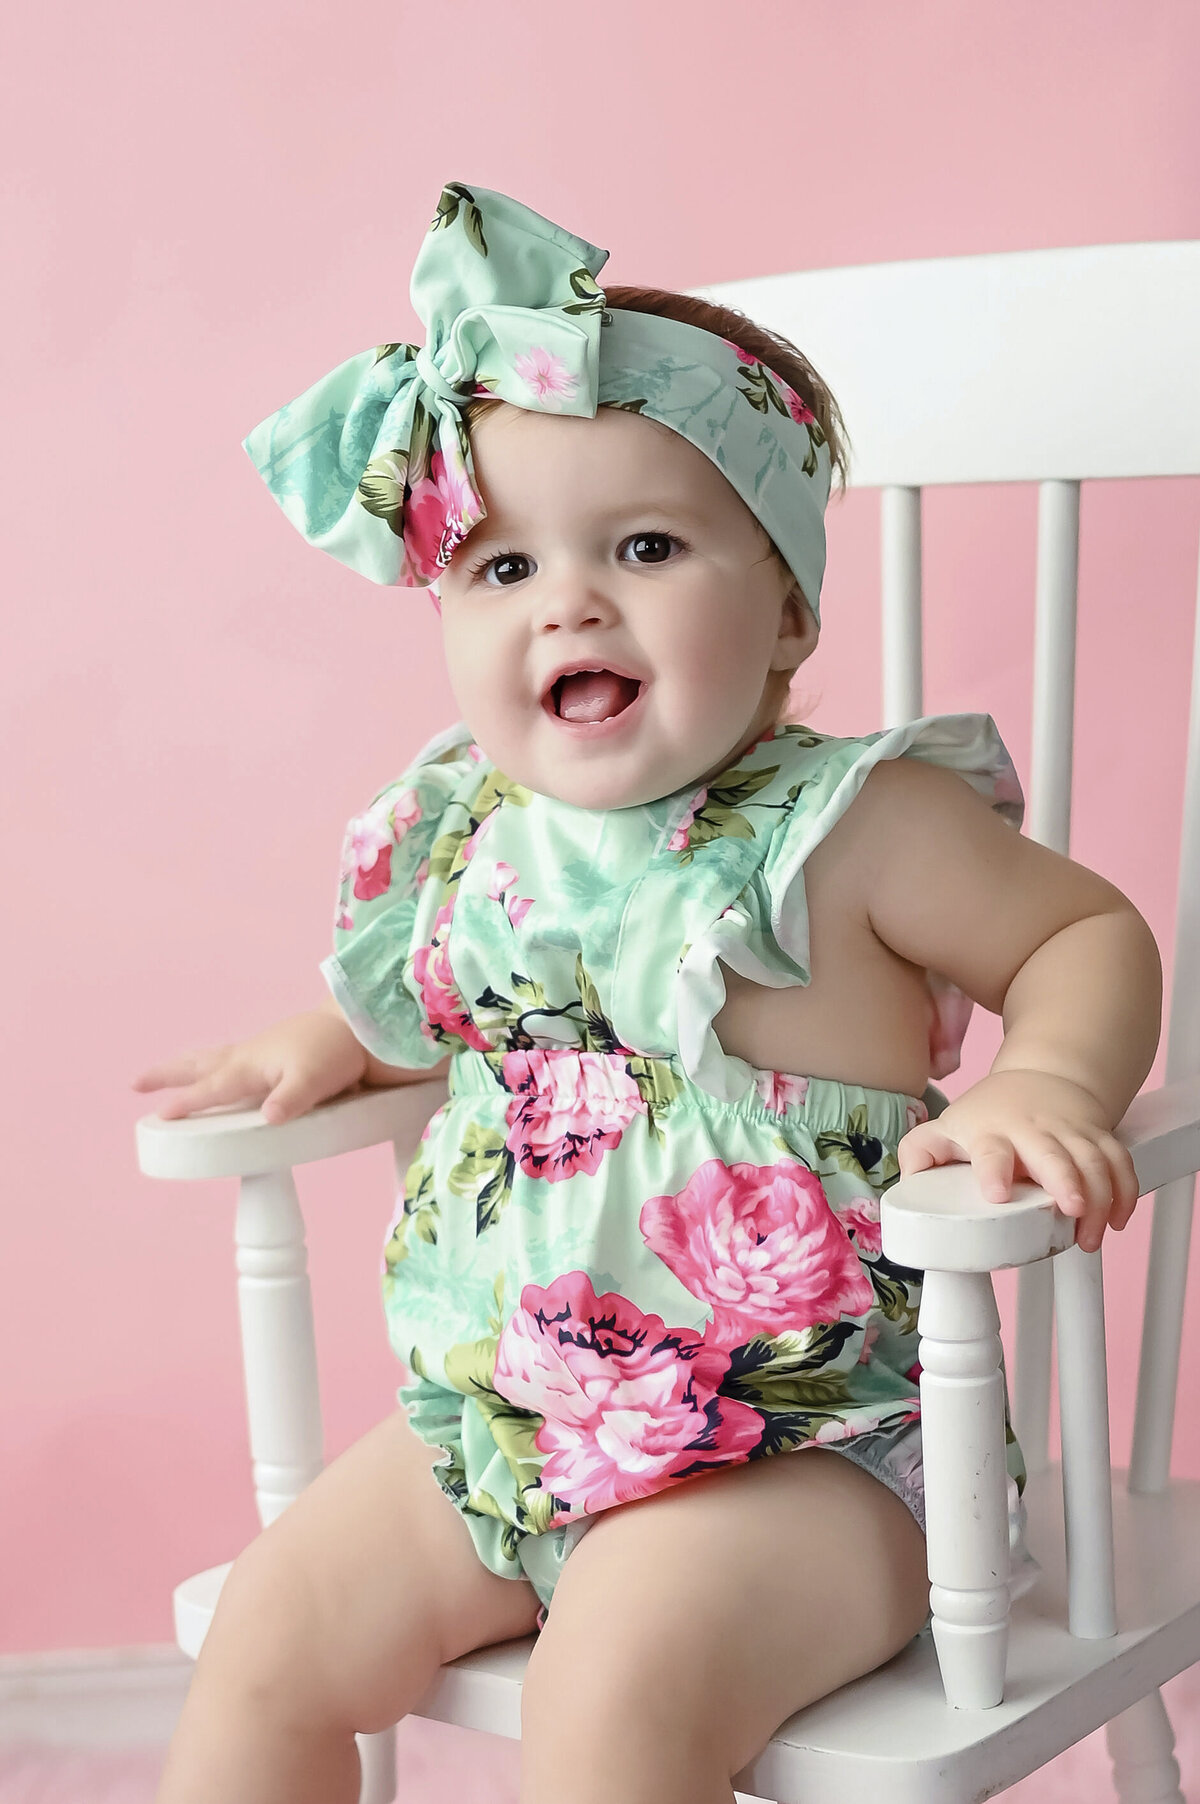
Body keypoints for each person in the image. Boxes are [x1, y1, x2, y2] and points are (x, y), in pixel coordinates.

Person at [133, 182, 1160, 1804]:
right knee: (270, 1636)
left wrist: (1050, 1082)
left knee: (610, 1689)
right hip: (504, 1426)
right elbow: (441, 1016)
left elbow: (1086, 937)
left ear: (790, 614)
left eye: (649, 547)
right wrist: (328, 1042)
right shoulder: (470, 835)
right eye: (502, 566)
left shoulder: (857, 824)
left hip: (809, 1464)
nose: (569, 603)